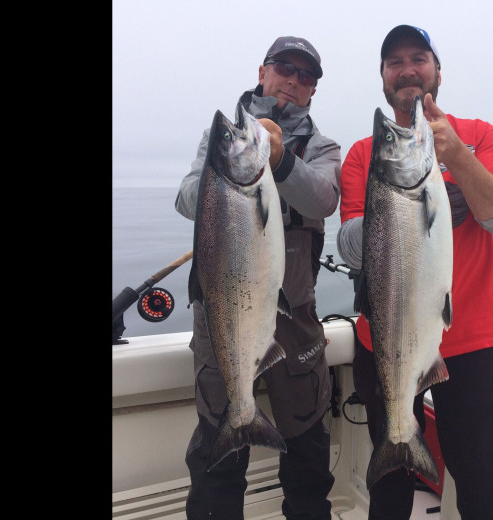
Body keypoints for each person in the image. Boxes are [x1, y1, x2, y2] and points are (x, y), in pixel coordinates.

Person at [336, 25, 493, 520]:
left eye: (418, 58)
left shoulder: (479, 136)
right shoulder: (361, 154)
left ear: (437, 70)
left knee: (483, 480)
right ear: (382, 78)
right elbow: (350, 246)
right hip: (387, 339)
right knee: (391, 487)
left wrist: (457, 156)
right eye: (394, 62)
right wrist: (391, 199)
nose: (407, 69)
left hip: (473, 340)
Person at [175, 36, 341, 520]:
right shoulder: (223, 134)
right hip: (223, 310)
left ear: (313, 90)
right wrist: (226, 171)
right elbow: (186, 197)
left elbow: (324, 200)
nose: (293, 80)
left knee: (309, 452)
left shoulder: (322, 146)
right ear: (263, 71)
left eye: (306, 75)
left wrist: (280, 157)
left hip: (295, 316)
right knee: (216, 461)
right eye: (284, 68)